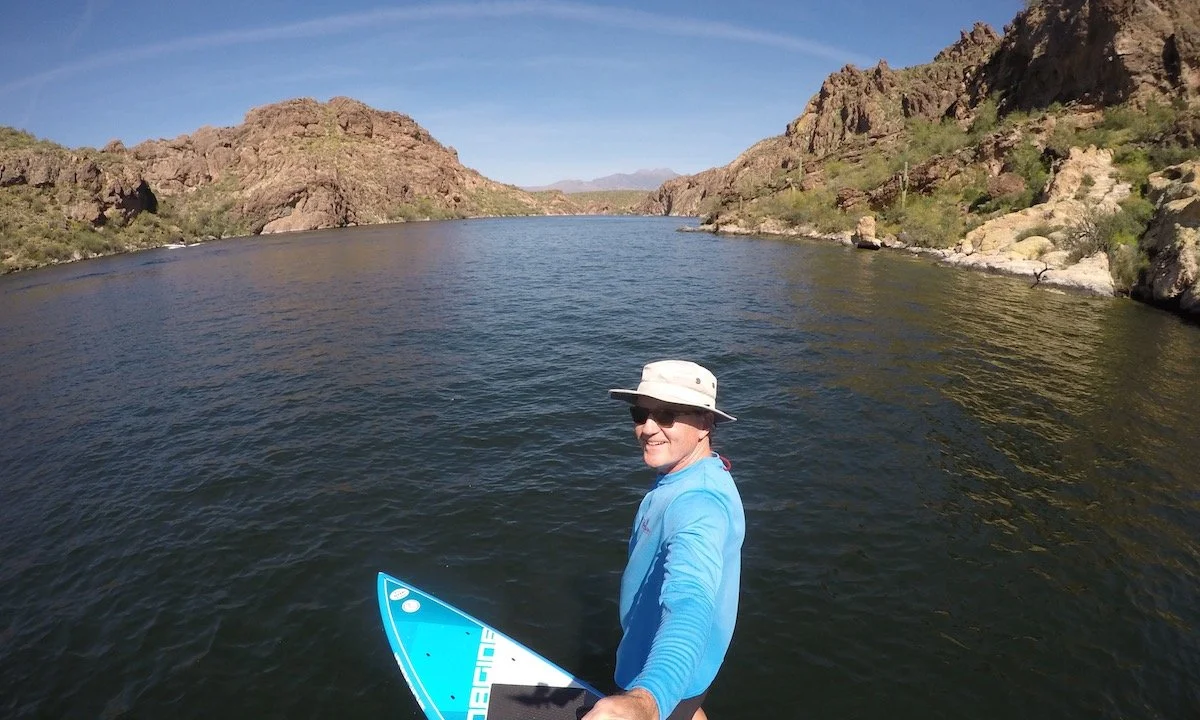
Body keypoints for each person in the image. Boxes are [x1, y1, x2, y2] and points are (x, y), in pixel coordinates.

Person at [583, 360, 745, 720]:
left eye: (668, 416)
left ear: (705, 424)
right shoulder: (704, 474)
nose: (648, 428)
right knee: (688, 710)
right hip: (695, 668)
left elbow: (690, 601)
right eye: (641, 414)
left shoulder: (698, 504)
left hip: (661, 670)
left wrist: (646, 701)